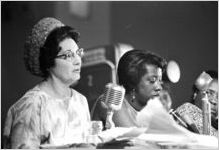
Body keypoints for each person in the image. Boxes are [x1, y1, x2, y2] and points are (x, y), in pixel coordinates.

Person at [3, 17, 92, 148]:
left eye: (78, 53)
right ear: (49, 61)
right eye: (68, 55)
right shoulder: (32, 106)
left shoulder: (80, 101)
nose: (78, 60)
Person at [91, 49, 167, 128]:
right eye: (152, 80)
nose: (159, 87)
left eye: (160, 81)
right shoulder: (111, 104)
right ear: (133, 81)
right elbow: (136, 138)